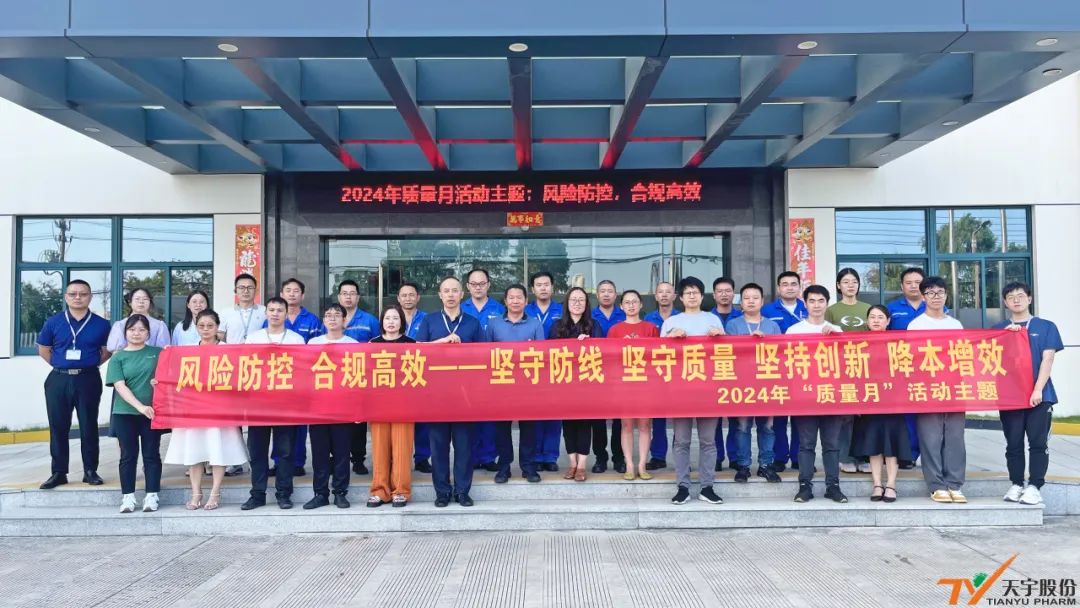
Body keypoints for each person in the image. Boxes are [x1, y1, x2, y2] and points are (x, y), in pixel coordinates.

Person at [163, 309, 248, 510]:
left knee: (218, 449)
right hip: (194, 408)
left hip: (220, 408)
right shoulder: (187, 350)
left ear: (217, 327)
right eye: (201, 326)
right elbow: (176, 377)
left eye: (210, 326)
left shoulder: (229, 350)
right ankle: (196, 492)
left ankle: (215, 492)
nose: (206, 329)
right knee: (194, 450)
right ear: (196, 327)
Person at [415, 276, 485, 507]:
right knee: (438, 448)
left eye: (455, 290)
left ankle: (462, 491)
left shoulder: (472, 323)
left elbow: (484, 355)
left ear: (462, 294)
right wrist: (443, 341)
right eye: (446, 291)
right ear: (440, 295)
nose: (451, 295)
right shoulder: (429, 320)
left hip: (465, 396)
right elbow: (417, 350)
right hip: (437, 395)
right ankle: (442, 492)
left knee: (464, 447)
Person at [37, 279, 112, 489]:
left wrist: (88, 364)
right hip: (58, 378)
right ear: (66, 297)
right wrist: (63, 365)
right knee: (58, 426)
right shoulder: (53, 322)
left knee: (89, 425)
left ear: (90, 297)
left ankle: (90, 471)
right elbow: (44, 350)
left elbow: (107, 351)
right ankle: (59, 472)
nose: (77, 297)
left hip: (88, 378)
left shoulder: (101, 324)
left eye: (83, 294)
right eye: (73, 294)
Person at [996, 281, 1062, 506]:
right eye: (1011, 297)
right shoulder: (999, 329)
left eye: (1020, 295)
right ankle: (1016, 484)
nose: (1016, 300)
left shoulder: (1046, 326)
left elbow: (1048, 359)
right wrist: (1006, 338)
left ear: (1029, 299)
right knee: (1013, 443)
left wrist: (1037, 389)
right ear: (1005, 302)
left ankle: (1034, 486)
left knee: (1038, 443)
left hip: (1039, 396)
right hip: (1010, 397)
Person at [661, 276, 725, 505]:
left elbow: (726, 353)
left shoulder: (713, 319)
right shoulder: (671, 322)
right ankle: (683, 486)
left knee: (708, 441)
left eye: (695, 292)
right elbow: (659, 355)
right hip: (680, 390)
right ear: (680, 297)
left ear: (701, 295)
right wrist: (670, 339)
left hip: (708, 389)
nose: (691, 296)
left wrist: (719, 337)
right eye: (687, 292)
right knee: (681, 441)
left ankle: (707, 486)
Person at [907, 276, 967, 504]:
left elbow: (962, 355)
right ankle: (936, 485)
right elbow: (912, 358)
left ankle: (955, 484)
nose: (936, 297)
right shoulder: (916, 325)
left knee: (955, 437)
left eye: (940, 292)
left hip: (953, 387)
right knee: (930, 437)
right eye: (930, 293)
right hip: (927, 387)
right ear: (923, 297)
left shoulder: (955, 324)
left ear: (946, 295)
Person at [242, 297, 306, 510]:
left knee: (285, 452)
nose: (275, 313)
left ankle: (284, 494)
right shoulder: (254, 338)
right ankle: (257, 494)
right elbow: (245, 368)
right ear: (266, 313)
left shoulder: (296, 339)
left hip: (286, 405)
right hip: (259, 405)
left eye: (280, 310)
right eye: (272, 310)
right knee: (257, 452)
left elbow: (302, 371)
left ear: (286, 314)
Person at [787, 284, 847, 504]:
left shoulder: (837, 330)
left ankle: (833, 486)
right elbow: (788, 365)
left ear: (827, 303)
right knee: (806, 445)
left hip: (831, 395)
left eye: (821, 301)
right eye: (812, 301)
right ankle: (805, 486)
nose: (816, 305)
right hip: (805, 397)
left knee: (832, 445)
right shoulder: (794, 331)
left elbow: (846, 364)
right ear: (805, 303)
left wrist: (836, 339)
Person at [486, 284, 546, 484]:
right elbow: (485, 355)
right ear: (505, 301)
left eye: (519, 297)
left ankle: (528, 467)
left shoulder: (535, 324)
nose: (515, 301)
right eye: (511, 297)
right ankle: (504, 467)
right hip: (501, 385)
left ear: (526, 301)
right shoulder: (494, 324)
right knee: (501, 429)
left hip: (528, 386)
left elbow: (542, 356)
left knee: (528, 429)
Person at [724, 282, 782, 484]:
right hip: (742, 384)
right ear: (741, 302)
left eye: (755, 297)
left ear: (762, 301)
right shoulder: (732, 325)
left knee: (768, 427)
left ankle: (766, 465)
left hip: (768, 383)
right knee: (742, 426)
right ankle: (743, 466)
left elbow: (780, 354)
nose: (751, 301)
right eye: (746, 298)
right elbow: (728, 353)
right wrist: (748, 342)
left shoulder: (772, 326)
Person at [105, 314, 163, 513]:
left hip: (152, 412)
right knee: (128, 456)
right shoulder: (118, 357)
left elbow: (169, 376)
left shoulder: (159, 353)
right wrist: (140, 407)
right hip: (125, 413)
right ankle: (128, 497)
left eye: (141, 329)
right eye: (132, 329)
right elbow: (120, 386)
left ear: (148, 333)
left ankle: (152, 495)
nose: (136, 333)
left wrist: (158, 383)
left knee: (151, 455)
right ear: (125, 332)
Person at [852, 305, 910, 503]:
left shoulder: (897, 343)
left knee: (892, 446)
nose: (876, 320)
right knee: (874, 445)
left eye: (880, 317)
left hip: (893, 401)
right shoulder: (858, 343)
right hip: (869, 401)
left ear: (888, 321)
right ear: (867, 321)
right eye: (872, 317)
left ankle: (891, 485)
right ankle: (877, 484)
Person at [304, 304, 357, 510]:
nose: (332, 318)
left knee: (342, 453)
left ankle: (340, 493)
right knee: (320, 453)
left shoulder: (352, 345)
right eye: (328, 315)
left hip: (343, 409)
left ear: (344, 320)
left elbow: (357, 379)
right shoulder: (313, 344)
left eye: (337, 315)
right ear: (323, 320)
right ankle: (320, 493)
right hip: (318, 408)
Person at [269, 277, 322, 478]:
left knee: (300, 423)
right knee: (278, 423)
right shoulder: (272, 318)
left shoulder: (312, 320)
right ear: (281, 294)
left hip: (302, 380)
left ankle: (298, 462)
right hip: (277, 380)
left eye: (296, 290)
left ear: (303, 295)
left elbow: (318, 348)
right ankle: (278, 462)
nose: (292, 294)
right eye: (288, 290)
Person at [368, 304, 417, 508]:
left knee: (402, 448)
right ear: (382, 321)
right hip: (378, 404)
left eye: (395, 318)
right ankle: (380, 490)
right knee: (379, 449)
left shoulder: (411, 343)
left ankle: (401, 491)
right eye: (387, 318)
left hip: (404, 405)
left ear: (401, 322)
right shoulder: (372, 344)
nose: (391, 322)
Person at [607, 289, 659, 481]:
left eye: (634, 302)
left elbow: (658, 356)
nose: (631, 305)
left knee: (645, 425)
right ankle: (629, 464)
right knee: (626, 425)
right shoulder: (615, 330)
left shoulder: (651, 328)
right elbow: (609, 359)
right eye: (627, 302)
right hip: (624, 384)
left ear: (641, 304)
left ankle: (642, 464)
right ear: (621, 306)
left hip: (646, 384)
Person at [553, 287, 604, 482]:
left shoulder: (594, 325)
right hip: (564, 384)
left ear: (586, 304)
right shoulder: (557, 326)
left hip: (587, 385)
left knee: (584, 424)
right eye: (573, 299)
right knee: (568, 425)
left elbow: (602, 352)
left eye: (581, 300)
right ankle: (572, 463)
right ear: (567, 303)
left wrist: (588, 344)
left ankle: (582, 465)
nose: (577, 303)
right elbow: (549, 353)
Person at [218, 272, 265, 477]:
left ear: (256, 290)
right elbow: (219, 338)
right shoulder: (225, 313)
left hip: (257, 370)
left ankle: (257, 459)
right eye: (242, 288)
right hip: (233, 369)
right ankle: (235, 461)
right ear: (235, 291)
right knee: (232, 417)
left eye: (250, 288)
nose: (246, 291)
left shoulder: (264, 311)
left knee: (256, 417)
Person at [887, 267, 934, 469]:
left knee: (928, 413)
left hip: (930, 368)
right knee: (906, 413)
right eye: (909, 282)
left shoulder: (936, 307)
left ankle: (930, 454)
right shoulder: (892, 308)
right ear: (902, 286)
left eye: (918, 282)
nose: (914, 286)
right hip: (902, 369)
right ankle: (908, 454)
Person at [826, 268, 872, 474]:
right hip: (841, 369)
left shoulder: (867, 308)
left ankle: (863, 457)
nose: (850, 285)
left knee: (865, 415)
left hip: (865, 367)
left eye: (854, 281)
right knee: (845, 415)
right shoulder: (831, 310)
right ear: (838, 286)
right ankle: (844, 456)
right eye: (845, 282)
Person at [762, 271, 808, 473]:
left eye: (793, 284)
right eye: (785, 284)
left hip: (802, 369)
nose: (789, 287)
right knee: (778, 417)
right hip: (776, 370)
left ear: (799, 287)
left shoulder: (808, 307)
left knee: (801, 417)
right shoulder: (767, 310)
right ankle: (779, 457)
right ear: (778, 287)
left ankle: (799, 457)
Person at [461, 268, 505, 473]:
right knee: (469, 415)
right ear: (467, 286)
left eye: (482, 283)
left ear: (488, 285)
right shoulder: (461, 308)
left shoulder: (499, 309)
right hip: (467, 371)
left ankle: (488, 456)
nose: (478, 287)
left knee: (489, 416)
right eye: (474, 284)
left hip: (492, 369)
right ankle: (470, 456)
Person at [337, 280, 380, 477]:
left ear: (358, 297)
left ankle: (358, 459)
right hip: (336, 379)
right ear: (339, 297)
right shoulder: (332, 317)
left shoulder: (369, 320)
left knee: (359, 420)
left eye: (352, 293)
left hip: (361, 378)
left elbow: (378, 345)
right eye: (344, 293)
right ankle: (338, 457)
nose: (348, 297)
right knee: (338, 420)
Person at [525, 271, 563, 473]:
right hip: (532, 369)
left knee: (554, 415)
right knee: (534, 414)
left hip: (556, 368)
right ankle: (535, 456)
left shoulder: (561, 310)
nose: (543, 288)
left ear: (552, 287)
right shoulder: (525, 310)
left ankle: (550, 456)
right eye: (538, 285)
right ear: (533, 289)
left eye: (546, 284)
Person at [591, 279, 627, 473]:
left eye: (610, 291)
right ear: (597, 295)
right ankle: (600, 458)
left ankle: (619, 458)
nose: (606, 294)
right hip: (596, 373)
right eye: (602, 291)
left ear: (616, 295)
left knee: (619, 420)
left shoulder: (624, 314)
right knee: (598, 420)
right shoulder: (590, 315)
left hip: (619, 373)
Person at [643, 280, 680, 471]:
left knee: (680, 418)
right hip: (655, 374)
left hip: (678, 373)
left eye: (668, 292)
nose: (664, 295)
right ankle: (658, 456)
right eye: (660, 292)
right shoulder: (648, 318)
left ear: (675, 296)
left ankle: (680, 458)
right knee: (657, 418)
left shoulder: (682, 318)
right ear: (655, 296)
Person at [397, 282, 431, 473]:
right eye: (404, 295)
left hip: (420, 374)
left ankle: (422, 458)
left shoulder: (427, 318)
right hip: (396, 377)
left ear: (418, 297)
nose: (408, 298)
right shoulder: (392, 317)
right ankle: (399, 457)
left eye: (411, 295)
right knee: (399, 418)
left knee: (423, 418)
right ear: (398, 298)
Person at [710, 277, 742, 471]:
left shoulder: (742, 317)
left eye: (728, 291)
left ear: (733, 294)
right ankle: (716, 457)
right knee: (713, 421)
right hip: (712, 376)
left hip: (737, 376)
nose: (724, 294)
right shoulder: (706, 317)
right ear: (714, 295)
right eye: (720, 291)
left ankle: (735, 457)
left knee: (735, 420)